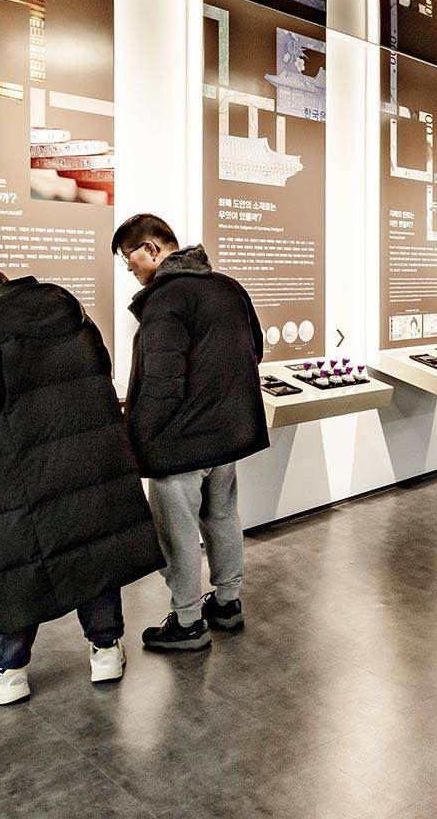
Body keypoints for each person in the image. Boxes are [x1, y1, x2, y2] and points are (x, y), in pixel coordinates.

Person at [0, 268, 164, 706]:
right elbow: (101, 369)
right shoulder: (70, 311)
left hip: (28, 465)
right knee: (93, 548)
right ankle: (106, 651)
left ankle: (7, 671)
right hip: (92, 455)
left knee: (18, 561)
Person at [114, 214, 269, 652]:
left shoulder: (165, 299)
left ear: (151, 249)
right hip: (227, 435)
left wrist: (138, 442)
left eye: (129, 260)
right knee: (222, 516)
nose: (131, 271)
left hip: (179, 443)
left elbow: (161, 382)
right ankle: (227, 602)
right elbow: (255, 349)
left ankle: (186, 622)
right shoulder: (228, 287)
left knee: (177, 532)